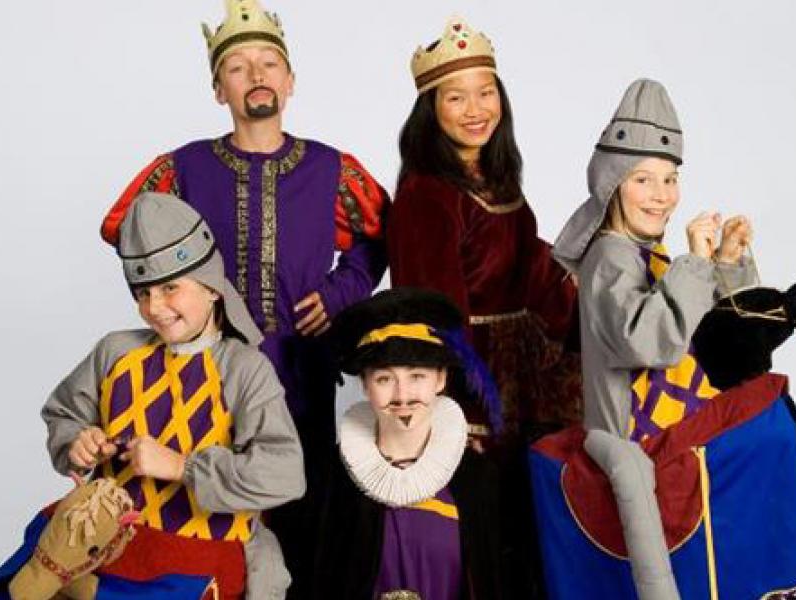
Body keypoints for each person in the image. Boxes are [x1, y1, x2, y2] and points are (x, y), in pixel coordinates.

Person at [98, 1, 388, 588]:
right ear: (217, 89)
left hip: (298, 367)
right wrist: (173, 301)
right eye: (238, 67)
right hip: (203, 370)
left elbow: (382, 236)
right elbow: (122, 226)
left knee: (296, 502)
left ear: (289, 81)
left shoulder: (332, 168)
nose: (256, 76)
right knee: (204, 505)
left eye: (269, 63)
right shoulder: (184, 168)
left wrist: (337, 294)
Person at [0, 192, 306, 599]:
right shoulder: (116, 351)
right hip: (101, 540)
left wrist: (183, 467)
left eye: (170, 287)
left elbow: (286, 474)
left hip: (197, 555)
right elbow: (64, 414)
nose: (155, 307)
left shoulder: (244, 369)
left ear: (211, 288)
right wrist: (78, 441)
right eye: (143, 293)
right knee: (15, 585)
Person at [549, 78, 756, 599]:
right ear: (613, 183)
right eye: (643, 179)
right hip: (624, 430)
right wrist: (694, 264)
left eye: (670, 179)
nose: (661, 196)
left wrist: (726, 264)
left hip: (677, 413)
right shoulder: (609, 258)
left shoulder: (653, 255)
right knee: (633, 475)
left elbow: (714, 337)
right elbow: (652, 343)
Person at [387, 16, 579, 447]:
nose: (475, 110)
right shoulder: (426, 195)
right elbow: (435, 315)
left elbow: (528, 264)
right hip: (476, 389)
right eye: (456, 98)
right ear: (431, 109)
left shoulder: (498, 177)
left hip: (523, 376)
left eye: (486, 93)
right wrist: (460, 413)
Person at [312, 287, 512, 599]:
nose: (402, 396)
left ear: (441, 379)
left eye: (417, 376)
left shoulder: (479, 480)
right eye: (384, 379)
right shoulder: (331, 480)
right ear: (364, 384)